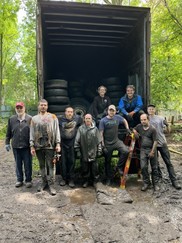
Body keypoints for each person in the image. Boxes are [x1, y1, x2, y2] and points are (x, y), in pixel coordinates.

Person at [30, 99, 61, 196]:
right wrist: (32, 146)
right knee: (42, 165)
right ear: (38, 106)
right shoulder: (34, 119)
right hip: (38, 146)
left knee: (51, 166)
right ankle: (44, 182)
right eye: (41, 105)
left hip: (50, 146)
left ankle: (51, 185)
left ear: (47, 106)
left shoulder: (53, 117)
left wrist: (58, 143)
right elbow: (31, 132)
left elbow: (57, 130)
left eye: (45, 105)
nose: (43, 106)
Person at [147, 104, 181, 190]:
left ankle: (174, 181)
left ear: (155, 110)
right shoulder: (146, 119)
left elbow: (168, 128)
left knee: (168, 162)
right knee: (154, 165)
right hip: (152, 145)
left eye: (152, 109)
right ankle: (156, 183)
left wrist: (168, 126)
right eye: (149, 109)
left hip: (162, 143)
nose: (151, 110)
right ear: (147, 110)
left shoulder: (160, 118)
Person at [99, 104, 131, 186]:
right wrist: (103, 145)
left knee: (126, 151)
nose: (111, 112)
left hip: (116, 141)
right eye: (110, 110)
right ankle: (109, 179)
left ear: (115, 111)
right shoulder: (103, 121)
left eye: (113, 110)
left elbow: (124, 120)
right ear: (107, 111)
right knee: (107, 161)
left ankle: (119, 167)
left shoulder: (117, 117)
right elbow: (101, 134)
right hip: (107, 144)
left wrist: (127, 128)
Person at [5, 102, 32, 188]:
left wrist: (33, 145)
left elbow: (33, 133)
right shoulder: (12, 119)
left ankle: (28, 180)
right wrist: (7, 143)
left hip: (27, 146)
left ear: (24, 108)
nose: (19, 109)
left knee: (28, 164)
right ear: (15, 109)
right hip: (16, 146)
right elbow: (8, 133)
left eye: (21, 107)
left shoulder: (30, 118)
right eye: (18, 108)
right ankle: (19, 180)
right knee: (18, 164)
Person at [74, 114, 102, 188]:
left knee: (95, 169)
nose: (87, 120)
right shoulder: (81, 128)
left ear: (91, 119)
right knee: (85, 169)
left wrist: (99, 150)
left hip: (94, 152)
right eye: (86, 118)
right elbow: (77, 141)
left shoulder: (95, 129)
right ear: (84, 119)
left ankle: (95, 182)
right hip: (84, 153)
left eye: (89, 118)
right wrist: (78, 151)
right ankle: (86, 181)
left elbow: (99, 141)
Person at [133, 113, 159, 191]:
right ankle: (146, 183)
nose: (143, 121)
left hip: (152, 149)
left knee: (154, 167)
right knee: (143, 167)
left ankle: (156, 184)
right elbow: (133, 128)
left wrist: (152, 152)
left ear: (148, 119)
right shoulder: (139, 127)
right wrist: (134, 132)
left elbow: (155, 141)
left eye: (144, 119)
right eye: (141, 120)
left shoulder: (153, 129)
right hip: (143, 150)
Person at [59, 106, 82, 188]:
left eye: (71, 112)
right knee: (63, 162)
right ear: (65, 112)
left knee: (72, 161)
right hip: (63, 144)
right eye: (68, 112)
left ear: (73, 113)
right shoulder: (60, 119)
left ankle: (71, 179)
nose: (69, 113)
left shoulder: (78, 119)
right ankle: (64, 179)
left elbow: (86, 121)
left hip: (72, 144)